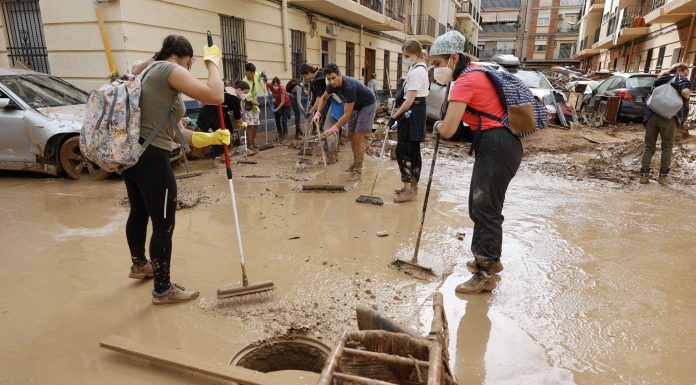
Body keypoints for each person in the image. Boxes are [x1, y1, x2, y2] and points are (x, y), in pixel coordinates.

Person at [125, 35, 228, 304]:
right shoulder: (171, 70)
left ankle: (140, 264)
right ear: (188, 59)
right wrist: (213, 64)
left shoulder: (149, 71)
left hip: (133, 155)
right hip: (152, 158)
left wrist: (209, 137)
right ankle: (162, 289)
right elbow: (216, 95)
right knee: (163, 223)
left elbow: (176, 133)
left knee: (139, 212)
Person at [430, 30, 522, 294]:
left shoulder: (465, 81)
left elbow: (448, 129)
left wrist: (437, 125)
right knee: (481, 204)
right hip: (501, 144)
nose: (435, 69)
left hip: (496, 145)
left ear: (454, 57)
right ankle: (489, 258)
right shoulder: (477, 72)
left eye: (437, 63)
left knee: (484, 209)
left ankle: (485, 273)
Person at [314, 64, 377, 180]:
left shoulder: (349, 86)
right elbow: (323, 98)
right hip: (355, 106)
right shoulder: (331, 86)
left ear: (339, 75)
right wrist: (318, 113)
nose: (331, 82)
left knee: (359, 136)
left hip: (367, 105)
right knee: (350, 135)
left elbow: (347, 114)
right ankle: (355, 162)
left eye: (333, 78)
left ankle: (359, 168)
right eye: (329, 79)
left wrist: (335, 127)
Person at [390, 39, 429, 203]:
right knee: (412, 150)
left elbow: (409, 100)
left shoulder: (417, 71)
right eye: (403, 55)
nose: (405, 58)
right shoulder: (417, 68)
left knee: (403, 150)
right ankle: (412, 186)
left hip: (412, 112)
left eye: (407, 55)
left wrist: (395, 116)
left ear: (417, 54)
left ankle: (408, 189)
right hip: (415, 111)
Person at [640, 62, 691, 185]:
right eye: (685, 73)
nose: (686, 76)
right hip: (669, 117)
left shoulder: (660, 79)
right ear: (679, 70)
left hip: (652, 115)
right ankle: (662, 178)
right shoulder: (680, 79)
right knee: (667, 147)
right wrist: (687, 98)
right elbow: (685, 92)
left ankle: (644, 176)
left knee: (648, 146)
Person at [197, 80, 252, 155]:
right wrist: (242, 123)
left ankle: (217, 152)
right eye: (245, 93)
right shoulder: (235, 99)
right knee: (221, 134)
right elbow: (237, 116)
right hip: (211, 112)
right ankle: (218, 155)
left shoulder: (228, 89)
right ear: (239, 89)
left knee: (225, 130)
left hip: (212, 111)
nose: (245, 95)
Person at [240, 63, 265, 150]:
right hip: (247, 107)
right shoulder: (244, 82)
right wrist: (259, 104)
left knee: (255, 125)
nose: (253, 75)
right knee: (250, 126)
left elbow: (260, 74)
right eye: (251, 73)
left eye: (254, 73)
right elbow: (249, 99)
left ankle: (253, 142)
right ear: (246, 72)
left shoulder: (255, 75)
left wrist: (263, 75)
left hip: (255, 107)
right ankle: (249, 145)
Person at [266, 77, 292, 144]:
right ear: (272, 84)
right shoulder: (270, 85)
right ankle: (280, 134)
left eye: (277, 85)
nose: (276, 87)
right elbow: (266, 84)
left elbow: (283, 102)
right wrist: (269, 93)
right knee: (277, 120)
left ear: (279, 85)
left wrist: (276, 109)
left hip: (286, 104)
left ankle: (285, 137)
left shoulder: (282, 89)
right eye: (274, 85)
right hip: (277, 103)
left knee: (284, 121)